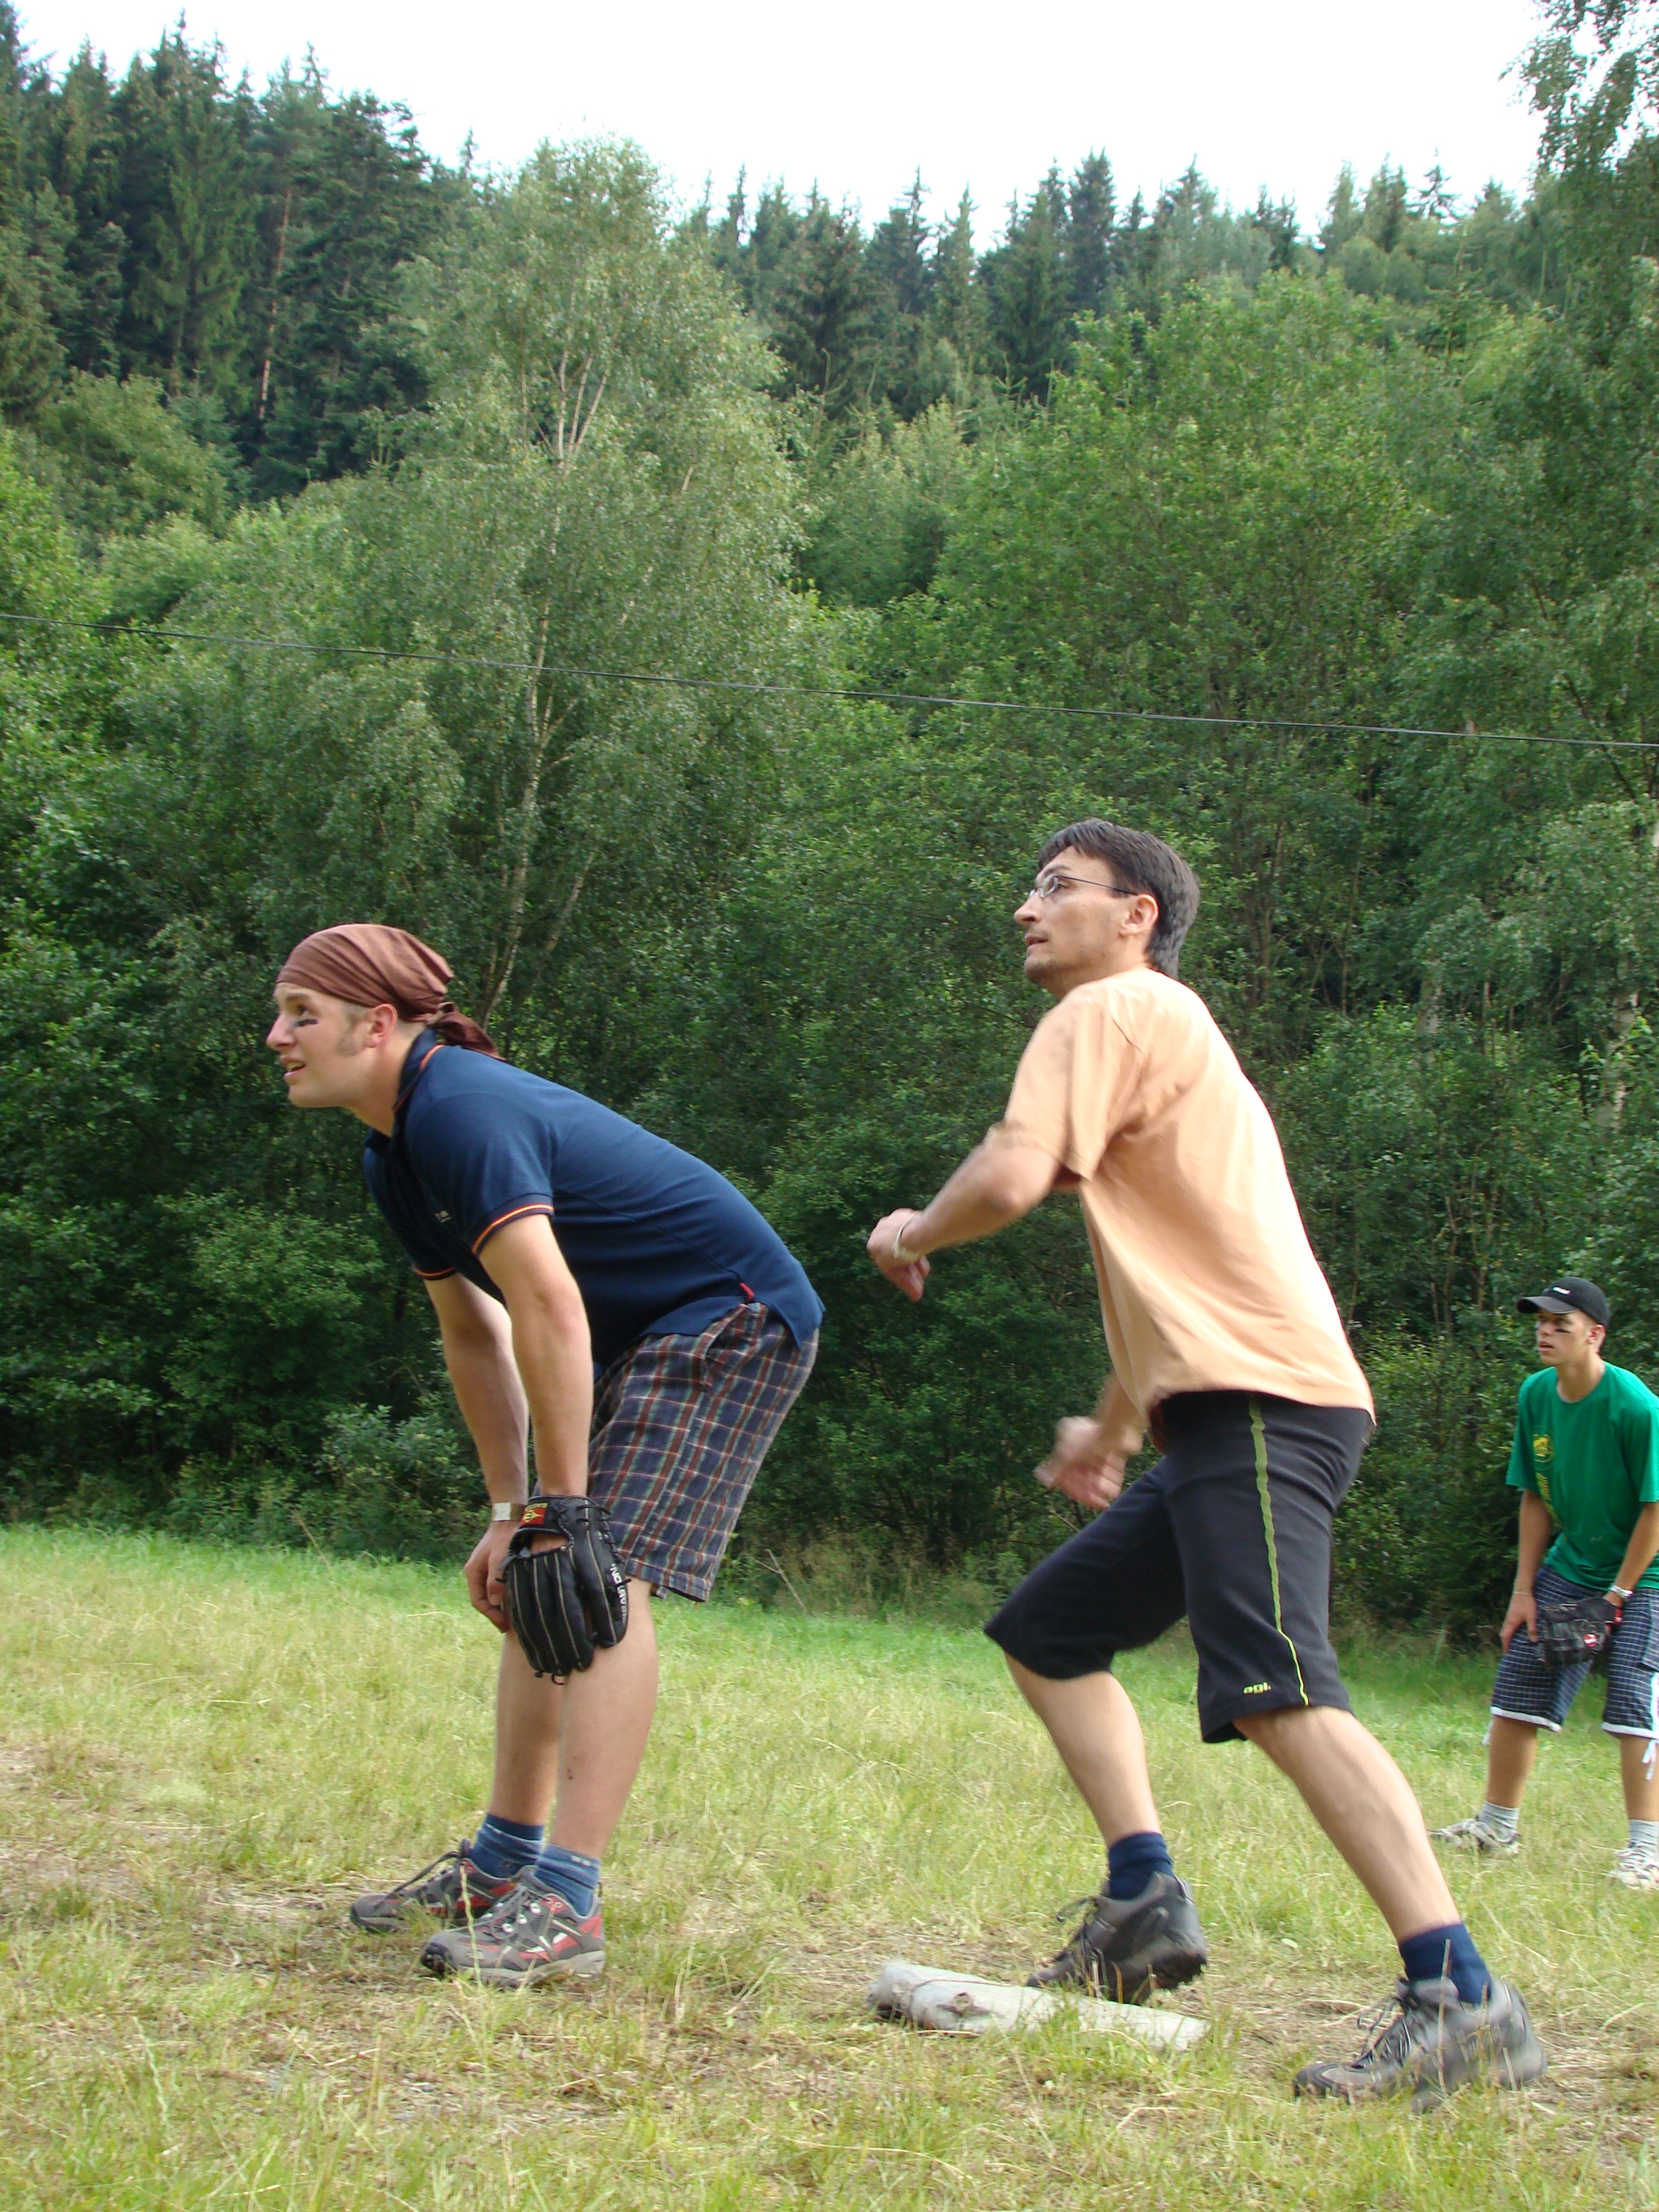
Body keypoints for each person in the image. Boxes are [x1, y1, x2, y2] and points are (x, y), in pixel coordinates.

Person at [865, 819, 1544, 2106]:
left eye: (1056, 886)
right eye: (1028, 887)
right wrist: (1116, 1424)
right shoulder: (1164, 1031)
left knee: (1278, 1684)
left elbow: (1008, 1177)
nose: (1024, 908)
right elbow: (1189, 1263)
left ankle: (1460, 1993)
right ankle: (1141, 1905)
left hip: (1262, 1404)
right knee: (1049, 1631)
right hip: (1230, 1404)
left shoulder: (1107, 1008)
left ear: (1136, 915)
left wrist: (910, 1232)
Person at [267, 923, 820, 1989]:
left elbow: (549, 1304)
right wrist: (511, 1510)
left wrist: (565, 1515)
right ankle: (501, 1866)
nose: (277, 1037)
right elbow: (477, 1331)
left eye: (301, 1014)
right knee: (544, 1569)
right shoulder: (394, 1154)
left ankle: (566, 1902)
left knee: (597, 1576)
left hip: (730, 1318)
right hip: (639, 1335)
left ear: (376, 1025)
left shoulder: (460, 1110)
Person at [1431, 1275, 1659, 1889]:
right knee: (1519, 1684)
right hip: (1574, 1562)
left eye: (1562, 1323)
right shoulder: (1536, 1394)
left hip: (1648, 1573)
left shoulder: (1636, 1408)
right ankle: (1495, 1828)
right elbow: (1533, 1495)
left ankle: (1648, 1852)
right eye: (1540, 1321)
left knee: (1635, 1700)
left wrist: (1616, 1598)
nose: (1546, 1331)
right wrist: (1524, 1591)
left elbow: (1655, 1511)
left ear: (1595, 1334)